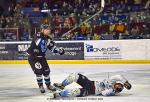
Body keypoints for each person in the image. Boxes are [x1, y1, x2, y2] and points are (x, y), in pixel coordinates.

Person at [26, 24, 65, 93]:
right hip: (33, 57)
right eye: (46, 29)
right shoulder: (38, 35)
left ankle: (48, 85)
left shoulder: (48, 39)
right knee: (39, 71)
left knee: (47, 71)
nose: (48, 31)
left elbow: (52, 49)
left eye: (49, 29)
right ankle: (41, 86)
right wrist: (48, 40)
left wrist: (59, 51)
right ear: (42, 30)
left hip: (42, 57)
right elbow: (39, 43)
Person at [49, 73, 132, 98]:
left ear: (118, 90)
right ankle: (62, 85)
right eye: (119, 85)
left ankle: (58, 94)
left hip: (89, 91)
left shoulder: (112, 92)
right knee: (75, 75)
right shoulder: (112, 81)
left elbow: (104, 93)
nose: (117, 86)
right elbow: (118, 76)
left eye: (119, 88)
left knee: (75, 92)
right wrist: (125, 82)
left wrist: (113, 90)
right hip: (89, 83)